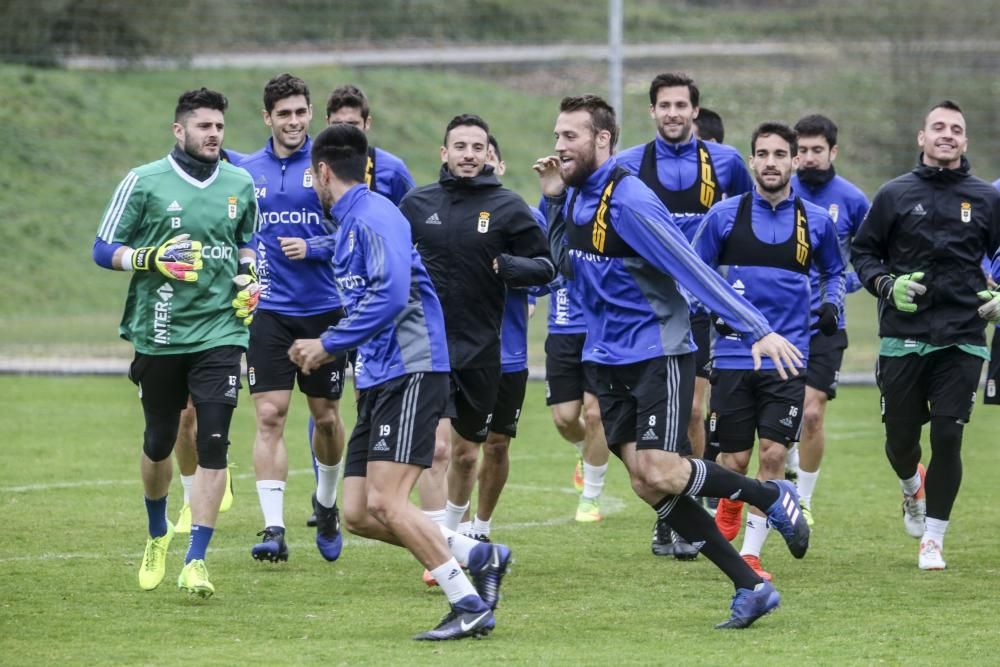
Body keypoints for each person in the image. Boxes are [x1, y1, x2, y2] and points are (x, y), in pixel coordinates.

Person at [535, 94, 810, 629]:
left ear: (603, 141)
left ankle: (770, 495)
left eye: (570, 136)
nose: (559, 147)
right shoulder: (573, 196)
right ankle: (750, 586)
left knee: (661, 468)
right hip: (606, 356)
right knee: (646, 482)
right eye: (557, 136)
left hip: (657, 351)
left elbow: (691, 270)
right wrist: (550, 202)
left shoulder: (630, 202)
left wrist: (757, 328)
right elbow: (563, 265)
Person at [288, 123, 509, 641]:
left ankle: (468, 603)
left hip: (411, 369)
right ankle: (479, 554)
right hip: (382, 375)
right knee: (361, 513)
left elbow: (389, 297)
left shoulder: (375, 215)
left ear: (323, 172)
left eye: (312, 177)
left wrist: (328, 343)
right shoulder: (346, 224)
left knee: (389, 502)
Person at [92, 87, 260, 597]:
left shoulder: (239, 181)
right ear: (179, 130)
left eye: (219, 127)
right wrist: (150, 259)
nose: (213, 134)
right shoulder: (143, 182)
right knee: (158, 441)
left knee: (213, 442)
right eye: (204, 126)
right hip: (160, 332)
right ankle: (157, 532)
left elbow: (247, 243)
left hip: (221, 332)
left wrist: (253, 283)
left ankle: (196, 561)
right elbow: (102, 248)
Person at [851, 100, 1000, 571]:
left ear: (965, 141)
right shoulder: (894, 194)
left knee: (949, 435)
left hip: (963, 334)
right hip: (903, 336)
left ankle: (933, 539)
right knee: (900, 442)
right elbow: (864, 254)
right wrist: (887, 286)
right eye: (938, 127)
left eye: (956, 129)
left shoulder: (985, 198)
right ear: (921, 138)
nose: (947, 134)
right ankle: (911, 485)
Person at [697, 121, 845, 581]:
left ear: (795, 161)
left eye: (781, 154)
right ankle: (727, 506)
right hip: (735, 356)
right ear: (752, 161)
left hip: (788, 358)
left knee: (774, 454)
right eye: (763, 154)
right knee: (733, 460)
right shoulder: (724, 215)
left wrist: (830, 305)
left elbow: (835, 273)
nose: (771, 162)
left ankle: (751, 553)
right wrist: (717, 314)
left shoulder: (815, 221)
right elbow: (693, 274)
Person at [400, 114, 555, 545]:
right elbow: (388, 258)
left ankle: (459, 534)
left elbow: (545, 267)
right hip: (428, 349)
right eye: (460, 147)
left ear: (489, 155)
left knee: (468, 456)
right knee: (438, 450)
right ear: (444, 153)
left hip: (482, 351)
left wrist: (510, 267)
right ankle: (444, 548)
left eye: (477, 148)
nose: (469, 156)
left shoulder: (508, 207)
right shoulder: (417, 204)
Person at [617, 73, 754, 558]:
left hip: (699, 308)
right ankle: (668, 512)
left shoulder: (728, 163)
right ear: (652, 112)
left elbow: (744, 223)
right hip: (647, 311)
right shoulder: (627, 165)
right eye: (664, 105)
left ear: (696, 111)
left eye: (681, 104)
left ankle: (687, 501)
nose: (673, 112)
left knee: (695, 411)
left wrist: (730, 293)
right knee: (651, 420)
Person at [235, 73, 347, 564]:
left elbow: (354, 231)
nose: (294, 121)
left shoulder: (329, 168)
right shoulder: (243, 169)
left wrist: (316, 246)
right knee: (269, 414)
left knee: (325, 418)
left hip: (325, 310)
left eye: (301, 112)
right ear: (268, 118)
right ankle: (273, 528)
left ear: (311, 115)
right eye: (285, 113)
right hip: (270, 311)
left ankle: (325, 504)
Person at [788, 113, 870, 525]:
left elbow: (875, 254)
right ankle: (783, 462)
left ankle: (803, 500)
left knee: (812, 412)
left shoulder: (853, 200)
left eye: (816, 150)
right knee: (779, 410)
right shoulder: (776, 192)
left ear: (832, 151)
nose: (808, 158)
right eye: (801, 150)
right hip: (779, 322)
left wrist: (846, 287)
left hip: (826, 323)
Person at [538, 194, 611, 523]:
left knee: (596, 414)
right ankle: (586, 451)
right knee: (565, 419)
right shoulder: (549, 201)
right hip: (563, 327)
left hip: (602, 329)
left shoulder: (608, 199)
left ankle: (590, 498)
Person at [325, 84, 415, 205]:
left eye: (352, 124)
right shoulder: (310, 169)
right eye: (337, 124)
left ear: (367, 123)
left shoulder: (393, 170)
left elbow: (413, 217)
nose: (344, 132)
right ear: (327, 123)